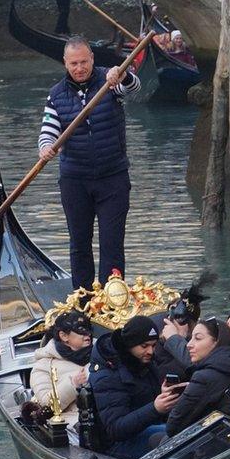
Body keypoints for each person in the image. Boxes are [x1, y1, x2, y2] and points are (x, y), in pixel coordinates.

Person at [38, 36, 141, 291]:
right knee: (79, 243)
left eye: (84, 61)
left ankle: (113, 299)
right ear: (65, 63)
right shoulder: (56, 95)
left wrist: (123, 75)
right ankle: (82, 300)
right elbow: (48, 131)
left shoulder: (110, 80)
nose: (79, 68)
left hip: (113, 178)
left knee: (112, 243)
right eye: (74, 63)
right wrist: (45, 148)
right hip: (75, 180)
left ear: (92, 59)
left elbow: (134, 88)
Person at [89, 315, 183, 459]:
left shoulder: (143, 361)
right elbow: (115, 429)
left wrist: (163, 395)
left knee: (187, 430)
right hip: (116, 444)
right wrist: (155, 408)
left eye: (153, 345)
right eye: (144, 346)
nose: (151, 351)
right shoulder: (107, 375)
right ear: (129, 345)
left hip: (147, 428)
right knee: (177, 438)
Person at [165, 317, 230, 437]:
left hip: (206, 447)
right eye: (191, 338)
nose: (189, 344)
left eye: (198, 338)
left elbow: (172, 427)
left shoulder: (204, 377)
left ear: (216, 342)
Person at [30, 311, 92, 426]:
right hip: (73, 422)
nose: (87, 334)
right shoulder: (43, 366)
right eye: (81, 330)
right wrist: (73, 384)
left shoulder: (101, 354)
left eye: (88, 329)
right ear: (64, 336)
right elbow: (46, 405)